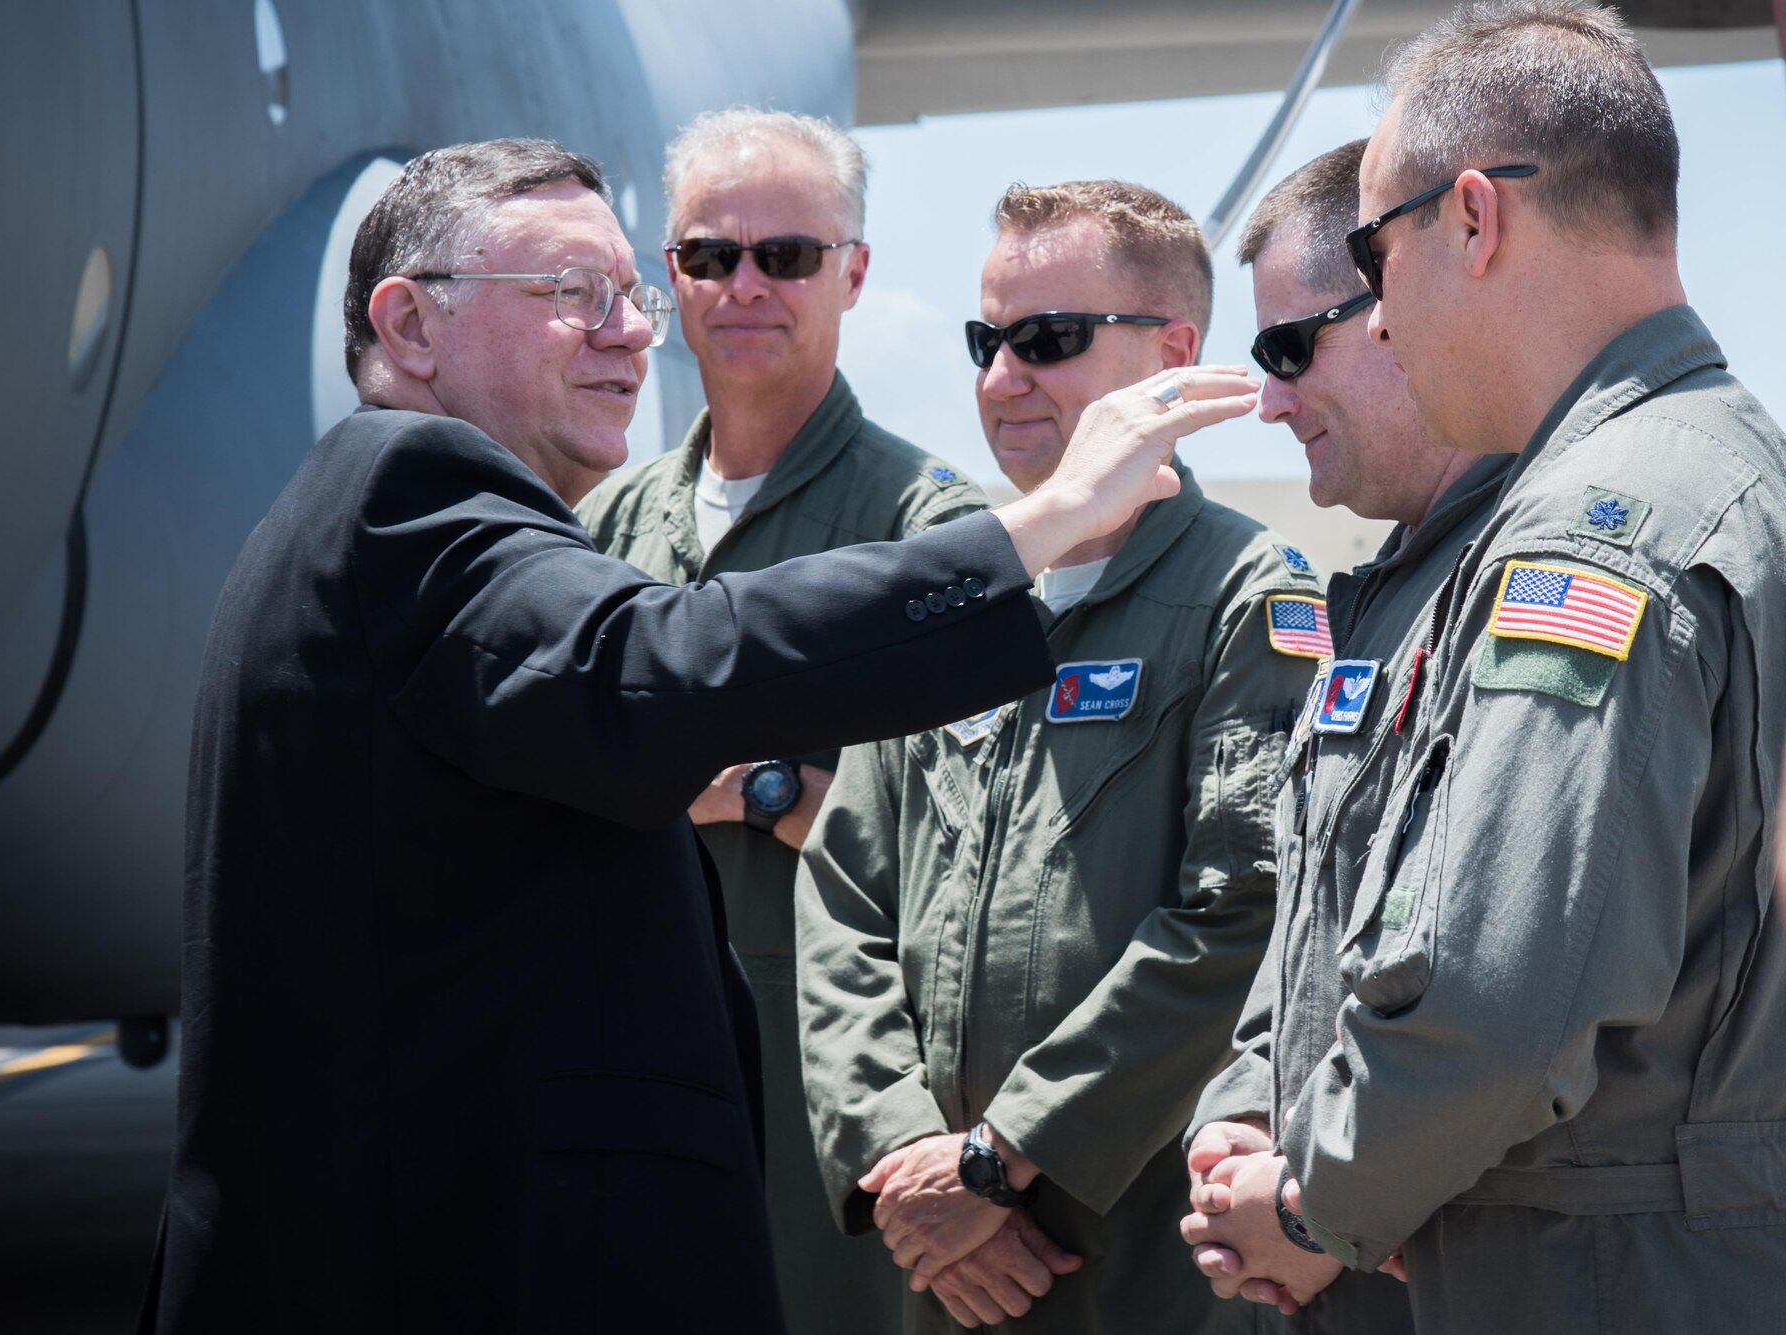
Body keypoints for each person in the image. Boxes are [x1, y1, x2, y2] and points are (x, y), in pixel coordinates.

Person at [141, 138, 1261, 1334]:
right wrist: (1035, 529)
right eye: (573, 295)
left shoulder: (430, 522)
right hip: (437, 1259)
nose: (632, 331)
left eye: (627, 294)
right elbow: (650, 671)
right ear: (410, 327)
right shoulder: (405, 493)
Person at [1179, 6, 1786, 1332]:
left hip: (1596, 1275)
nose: (1382, 318)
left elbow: (1501, 993)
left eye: (1375, 259)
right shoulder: (1727, 468)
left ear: (1473, 221)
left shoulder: (1593, 533)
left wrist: (1311, 1203)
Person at [796, 178, 1324, 1333]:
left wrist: (1000, 1159)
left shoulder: (1248, 599)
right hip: (942, 1266)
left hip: (1141, 1266)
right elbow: (839, 899)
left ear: (1174, 353)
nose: (999, 378)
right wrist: (905, 1168)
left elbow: (1243, 914)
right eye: (987, 340)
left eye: (1047, 340)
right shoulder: (945, 592)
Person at [577, 109, 984, 1332]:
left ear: (852, 272)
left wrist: (755, 789)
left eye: (787, 256)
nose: (744, 285)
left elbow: (970, 860)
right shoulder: (606, 525)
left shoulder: (933, 532)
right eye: (709, 256)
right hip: (628, 1069)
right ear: (669, 276)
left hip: (836, 1097)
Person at [1180, 139, 1511, 1335]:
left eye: (1283, 349)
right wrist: (1240, 1115)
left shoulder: (1528, 580)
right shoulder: (1373, 598)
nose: (1266, 401)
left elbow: (1505, 988)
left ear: (1395, 310)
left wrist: (1312, 1206)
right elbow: (1310, 923)